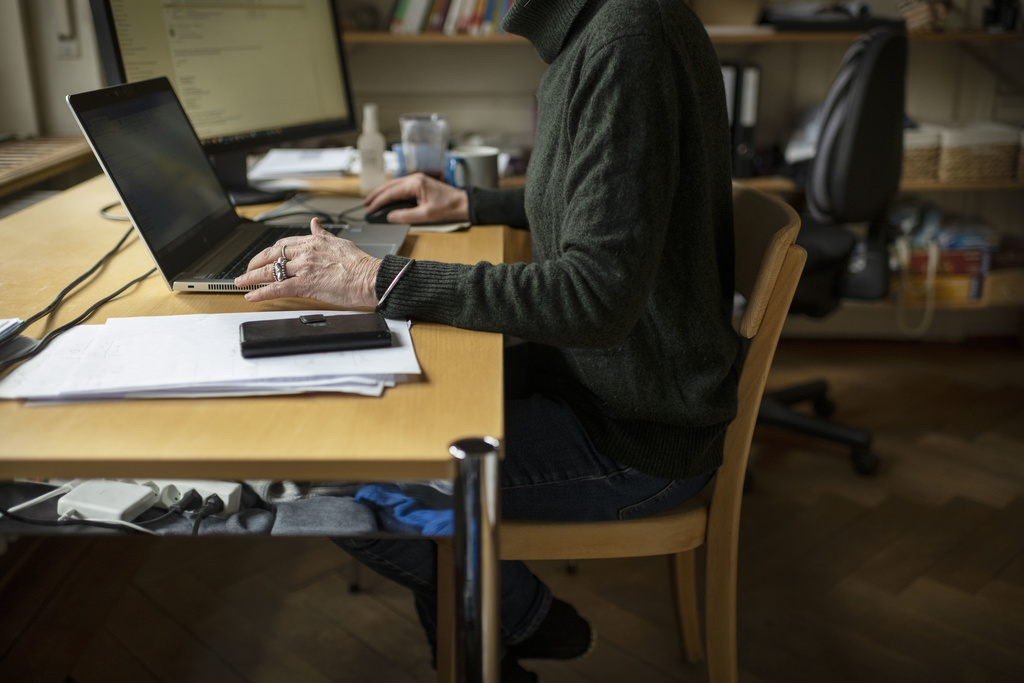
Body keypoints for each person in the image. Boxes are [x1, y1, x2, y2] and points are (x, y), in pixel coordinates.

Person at [235, 0, 741, 679]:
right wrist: (472, 205)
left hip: (632, 436)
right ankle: (499, 639)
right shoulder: (600, 30)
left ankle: (523, 618)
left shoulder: (627, 38)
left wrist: (378, 280)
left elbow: (594, 295)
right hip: (593, 387)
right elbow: (605, 209)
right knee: (374, 430)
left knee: (333, 486)